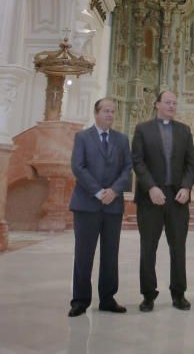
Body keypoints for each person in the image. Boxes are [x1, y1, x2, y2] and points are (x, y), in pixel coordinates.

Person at [132, 90, 194, 312]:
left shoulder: (184, 131)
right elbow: (138, 161)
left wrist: (187, 187)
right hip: (151, 199)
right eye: (168, 102)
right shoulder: (142, 129)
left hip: (177, 199)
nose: (172, 106)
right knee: (148, 248)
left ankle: (179, 294)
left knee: (178, 248)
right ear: (157, 104)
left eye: (175, 103)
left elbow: (190, 164)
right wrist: (151, 187)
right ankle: (148, 295)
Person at [68, 98, 132, 317]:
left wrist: (113, 191)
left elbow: (127, 168)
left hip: (113, 206)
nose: (110, 115)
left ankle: (107, 299)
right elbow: (78, 167)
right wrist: (98, 192)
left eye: (113, 112)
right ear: (96, 113)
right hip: (87, 204)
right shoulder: (82, 137)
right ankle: (80, 300)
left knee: (110, 254)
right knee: (84, 254)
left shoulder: (122, 139)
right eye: (106, 111)